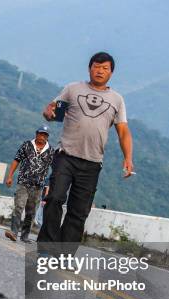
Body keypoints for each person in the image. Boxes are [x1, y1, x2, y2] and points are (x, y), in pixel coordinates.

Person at [38, 51, 134, 248]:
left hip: (92, 163)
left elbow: (123, 132)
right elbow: (52, 112)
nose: (100, 71)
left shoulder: (117, 100)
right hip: (65, 156)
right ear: (89, 68)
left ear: (111, 73)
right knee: (55, 198)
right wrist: (48, 113)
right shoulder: (72, 89)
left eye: (105, 68)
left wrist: (128, 158)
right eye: (96, 67)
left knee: (79, 210)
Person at [5, 125, 55, 243]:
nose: (42, 137)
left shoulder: (51, 151)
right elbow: (16, 160)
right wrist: (10, 176)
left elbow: (55, 169)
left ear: (47, 137)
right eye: (40, 134)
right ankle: (13, 232)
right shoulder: (26, 145)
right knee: (19, 206)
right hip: (23, 183)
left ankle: (25, 235)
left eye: (45, 135)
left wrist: (51, 186)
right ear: (36, 134)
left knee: (31, 212)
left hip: (38, 186)